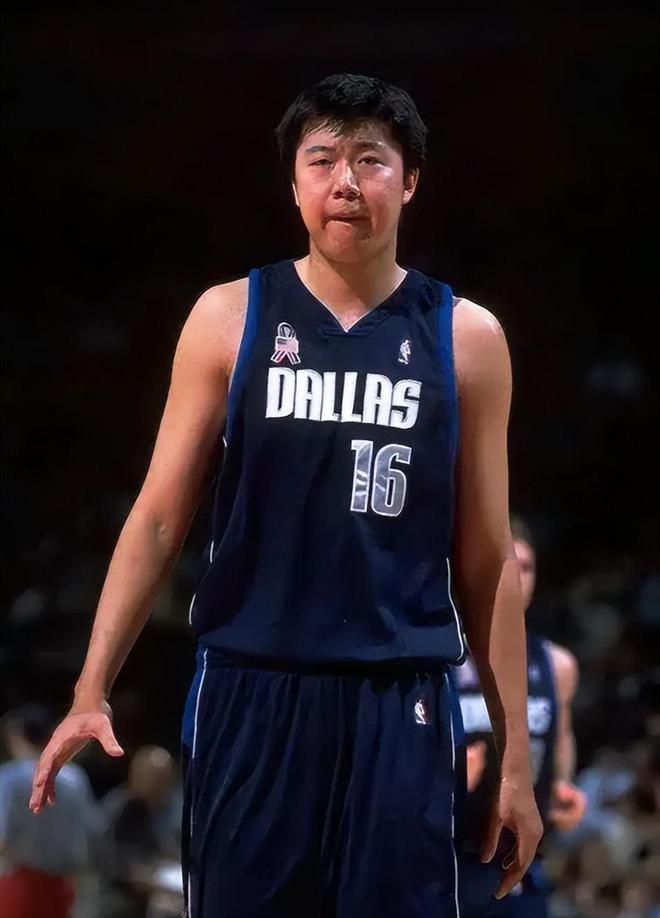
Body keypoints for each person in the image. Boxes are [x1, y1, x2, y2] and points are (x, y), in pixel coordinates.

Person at [30, 73, 542, 917]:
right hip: (252, 687)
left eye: (371, 160)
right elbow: (156, 519)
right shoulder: (229, 317)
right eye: (323, 159)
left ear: (410, 181)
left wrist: (516, 756)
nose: (347, 181)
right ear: (294, 182)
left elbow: (487, 558)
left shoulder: (467, 337)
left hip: (400, 696)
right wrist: (92, 686)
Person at [455, 516, 587, 917]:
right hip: (448, 857)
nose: (517, 577)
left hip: (518, 867)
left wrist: (562, 792)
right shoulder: (441, 658)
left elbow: (558, 751)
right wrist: (447, 777)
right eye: (508, 563)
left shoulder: (557, 665)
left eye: (526, 567)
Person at [0, 704, 100, 918]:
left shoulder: (9, 778)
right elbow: (91, 833)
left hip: (17, 884)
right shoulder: (75, 778)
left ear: (16, 735)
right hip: (60, 887)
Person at [96, 745, 180, 918]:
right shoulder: (116, 809)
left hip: (166, 892)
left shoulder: (174, 810)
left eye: (163, 779)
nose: (157, 785)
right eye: (152, 777)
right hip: (119, 897)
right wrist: (142, 875)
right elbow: (106, 858)